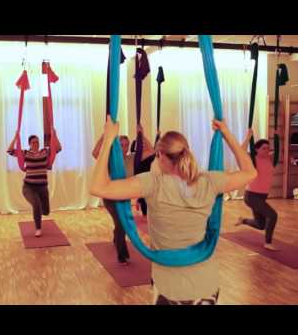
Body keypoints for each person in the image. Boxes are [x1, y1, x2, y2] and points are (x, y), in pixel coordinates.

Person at [90, 116, 257, 304]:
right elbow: (250, 172)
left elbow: (98, 187)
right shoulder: (209, 181)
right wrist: (226, 133)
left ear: (160, 156)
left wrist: (108, 139)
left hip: (170, 288)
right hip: (206, 284)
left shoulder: (153, 183)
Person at [92, 124, 155, 265]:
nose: (124, 147)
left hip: (124, 196)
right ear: (116, 145)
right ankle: (122, 255)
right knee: (121, 224)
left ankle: (116, 237)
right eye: (121, 144)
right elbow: (95, 153)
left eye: (126, 145)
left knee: (120, 223)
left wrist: (142, 135)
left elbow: (151, 151)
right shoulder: (109, 158)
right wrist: (105, 134)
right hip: (110, 196)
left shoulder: (132, 158)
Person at [7, 130, 62, 237]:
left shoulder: (45, 152)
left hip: (42, 186)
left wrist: (55, 136)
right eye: (33, 143)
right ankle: (38, 228)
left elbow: (58, 148)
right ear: (29, 144)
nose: (35, 144)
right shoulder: (25, 153)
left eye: (37, 142)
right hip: (29, 187)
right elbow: (9, 151)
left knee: (46, 211)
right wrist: (15, 137)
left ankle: (40, 213)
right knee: (36, 205)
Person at [235, 129, 278, 250]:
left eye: (268, 148)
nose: (267, 150)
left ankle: (243, 220)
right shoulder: (253, 160)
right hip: (252, 196)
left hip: (262, 196)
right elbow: (240, 151)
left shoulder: (268, 159)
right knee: (273, 215)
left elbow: (278, 151)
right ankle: (268, 243)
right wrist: (248, 136)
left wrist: (276, 138)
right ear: (257, 149)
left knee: (261, 225)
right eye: (264, 148)